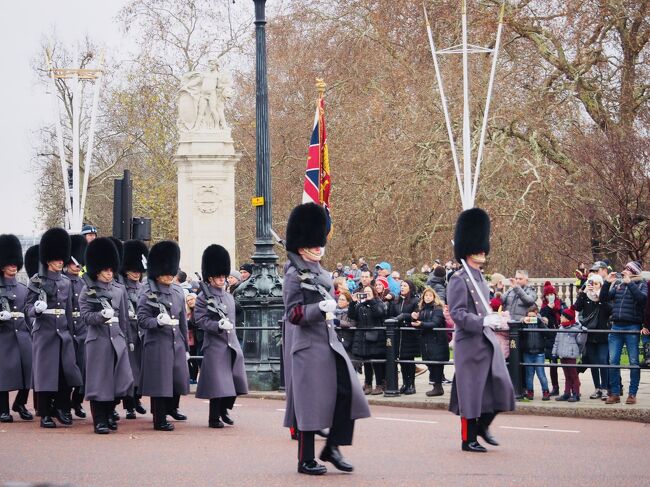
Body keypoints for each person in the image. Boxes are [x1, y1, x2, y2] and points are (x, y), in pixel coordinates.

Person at [282, 203, 370, 475]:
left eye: (320, 242)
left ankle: (332, 446)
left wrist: (328, 305)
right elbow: (293, 314)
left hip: (329, 342)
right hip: (307, 345)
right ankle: (305, 458)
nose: (319, 247)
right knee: (309, 403)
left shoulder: (321, 273)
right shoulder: (293, 275)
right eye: (313, 243)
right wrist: (317, 310)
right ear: (301, 246)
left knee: (349, 392)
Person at [447, 208, 515, 453]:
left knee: (502, 386)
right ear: (468, 249)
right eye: (478, 247)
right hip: (469, 343)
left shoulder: (479, 278)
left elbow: (483, 308)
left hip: (486, 341)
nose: (482, 251)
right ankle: (469, 439)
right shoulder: (459, 278)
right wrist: (482, 322)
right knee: (471, 393)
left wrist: (494, 318)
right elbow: (457, 313)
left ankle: (483, 426)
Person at [26, 228, 83, 428]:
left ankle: (61, 407)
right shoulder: (36, 280)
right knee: (45, 375)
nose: (61, 262)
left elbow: (68, 310)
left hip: (63, 333)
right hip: (44, 332)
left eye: (62, 259)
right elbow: (27, 308)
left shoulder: (66, 282)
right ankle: (44, 414)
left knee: (65, 373)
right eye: (57, 259)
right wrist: (37, 310)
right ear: (48, 259)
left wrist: (71, 332)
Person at [79, 238, 134, 434]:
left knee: (120, 380)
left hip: (117, 338)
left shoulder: (119, 290)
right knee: (99, 383)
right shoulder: (87, 291)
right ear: (97, 270)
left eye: (112, 270)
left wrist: (128, 341)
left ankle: (110, 413)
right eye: (106, 270)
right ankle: (99, 421)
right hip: (98, 341)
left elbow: (125, 319)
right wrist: (101, 316)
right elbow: (85, 317)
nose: (110, 273)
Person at [136, 241, 190, 431]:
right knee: (160, 382)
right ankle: (159, 418)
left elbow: (182, 320)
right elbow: (142, 319)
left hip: (176, 341)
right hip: (157, 341)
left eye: (171, 272)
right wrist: (157, 322)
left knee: (175, 378)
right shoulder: (148, 292)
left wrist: (186, 347)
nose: (169, 275)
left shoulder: (177, 292)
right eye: (166, 272)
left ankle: (170, 410)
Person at [194, 245, 248, 428]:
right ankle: (214, 417)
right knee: (218, 384)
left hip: (231, 343)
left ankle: (224, 409)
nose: (222, 280)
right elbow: (200, 320)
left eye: (223, 277)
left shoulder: (228, 297)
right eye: (219, 277)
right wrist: (217, 325)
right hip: (215, 345)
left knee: (235, 379)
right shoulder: (203, 297)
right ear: (210, 277)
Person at [600, 261, 648, 405]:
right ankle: (615, 393)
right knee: (613, 362)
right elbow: (604, 299)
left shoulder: (641, 283)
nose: (624, 271)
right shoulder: (619, 284)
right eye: (624, 268)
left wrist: (630, 284)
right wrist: (607, 283)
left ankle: (632, 394)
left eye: (628, 269)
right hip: (616, 327)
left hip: (632, 327)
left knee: (633, 362)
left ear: (634, 272)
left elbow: (642, 299)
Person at [0, 234, 33, 423]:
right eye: (9, 263)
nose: (13, 266)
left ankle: (20, 403)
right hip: (3, 336)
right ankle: (3, 408)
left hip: (22, 334)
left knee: (30, 370)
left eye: (15, 263)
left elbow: (27, 313)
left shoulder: (22, 288)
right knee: (3, 374)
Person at [120, 239, 149, 418]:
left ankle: (137, 398)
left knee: (140, 367)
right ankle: (129, 405)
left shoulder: (143, 287)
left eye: (139, 271)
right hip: (127, 331)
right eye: (133, 270)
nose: (137, 274)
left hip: (141, 330)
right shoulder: (120, 287)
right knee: (129, 369)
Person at [573, 274, 611, 399]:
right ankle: (597, 388)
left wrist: (600, 297)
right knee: (594, 362)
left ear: (600, 285)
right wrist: (583, 292)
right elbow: (576, 307)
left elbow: (609, 310)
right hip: (589, 335)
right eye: (591, 283)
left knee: (602, 361)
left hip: (602, 334)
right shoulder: (586, 297)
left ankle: (605, 388)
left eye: (596, 284)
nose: (593, 286)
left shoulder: (604, 298)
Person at [349, 284, 387, 395]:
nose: (367, 293)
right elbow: (352, 315)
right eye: (365, 292)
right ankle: (368, 384)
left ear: (374, 293)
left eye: (369, 291)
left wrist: (371, 301)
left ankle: (380, 385)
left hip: (375, 336)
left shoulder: (378, 302)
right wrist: (353, 302)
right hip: (363, 336)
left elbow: (379, 313)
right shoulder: (360, 305)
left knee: (376, 362)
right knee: (366, 362)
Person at [66, 234, 87, 419]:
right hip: (66, 329)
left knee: (83, 369)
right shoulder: (62, 281)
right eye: (74, 263)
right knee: (68, 370)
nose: (77, 266)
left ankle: (77, 401)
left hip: (82, 330)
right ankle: (64, 404)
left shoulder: (83, 282)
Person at [412, 287, 447, 397]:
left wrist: (420, 324)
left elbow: (435, 323)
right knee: (429, 363)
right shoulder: (422, 309)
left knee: (436, 364)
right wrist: (414, 320)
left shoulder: (437, 309)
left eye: (430, 296)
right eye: (426, 296)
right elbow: (421, 323)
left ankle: (438, 387)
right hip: (426, 341)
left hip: (436, 341)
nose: (427, 297)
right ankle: (436, 386)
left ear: (434, 297)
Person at [388, 280, 419, 394]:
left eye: (405, 286)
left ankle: (411, 384)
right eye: (401, 285)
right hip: (397, 333)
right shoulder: (396, 301)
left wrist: (403, 316)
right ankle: (405, 383)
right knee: (401, 360)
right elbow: (390, 315)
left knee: (409, 360)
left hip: (409, 334)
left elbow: (415, 315)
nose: (402, 287)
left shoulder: (415, 300)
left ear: (410, 288)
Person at [552, 308, 587, 402]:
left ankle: (576, 393)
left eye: (562, 316)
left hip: (571, 355)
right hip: (562, 354)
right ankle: (567, 393)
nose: (561, 318)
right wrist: (554, 353)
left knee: (573, 375)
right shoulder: (561, 328)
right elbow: (557, 341)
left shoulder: (575, 329)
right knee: (566, 375)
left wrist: (583, 333)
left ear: (567, 318)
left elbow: (580, 342)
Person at [539, 281, 565, 396]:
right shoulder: (544, 307)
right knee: (553, 363)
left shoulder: (561, 303)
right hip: (551, 337)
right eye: (548, 295)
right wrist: (549, 308)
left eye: (552, 294)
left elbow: (567, 314)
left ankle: (571, 386)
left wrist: (557, 308)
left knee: (566, 362)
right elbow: (542, 318)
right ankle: (555, 387)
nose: (550, 296)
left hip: (562, 335)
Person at [521, 305, 550, 401]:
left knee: (541, 374)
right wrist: (523, 323)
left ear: (537, 316)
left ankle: (545, 392)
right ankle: (530, 392)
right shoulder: (524, 324)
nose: (531, 319)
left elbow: (548, 333)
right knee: (529, 374)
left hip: (539, 352)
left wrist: (540, 322)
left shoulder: (540, 322)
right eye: (529, 317)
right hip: (528, 352)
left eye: (533, 317)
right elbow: (521, 336)